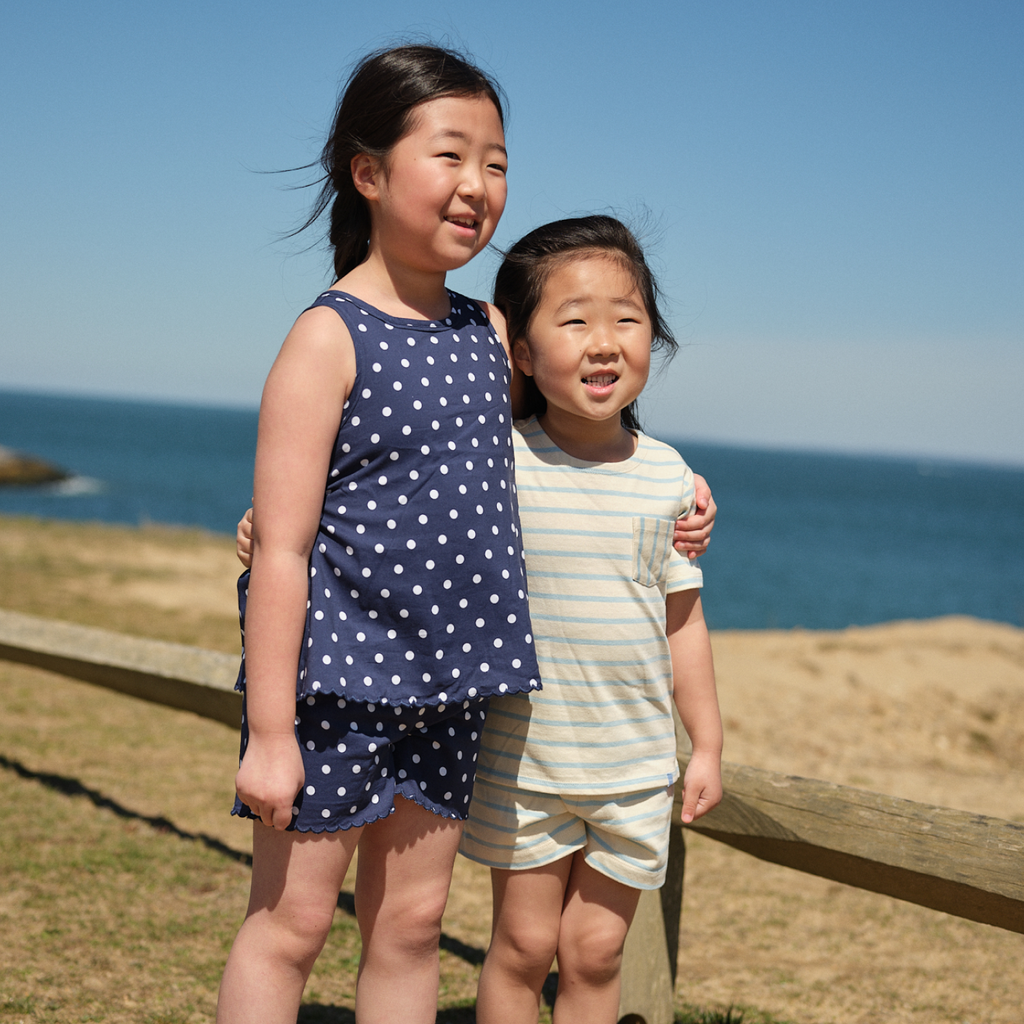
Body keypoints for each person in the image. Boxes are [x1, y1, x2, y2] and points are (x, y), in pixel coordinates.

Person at [222, 44, 717, 1024]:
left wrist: (680, 488)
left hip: (454, 695)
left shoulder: (491, 334)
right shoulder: (327, 336)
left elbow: (584, 419)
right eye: (450, 156)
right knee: (291, 928)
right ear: (368, 172)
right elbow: (280, 548)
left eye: (494, 161)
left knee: (407, 930)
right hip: (336, 691)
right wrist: (271, 734)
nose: (478, 185)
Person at [459, 215, 724, 1024]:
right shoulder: (495, 458)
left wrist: (706, 742)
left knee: (597, 952)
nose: (604, 342)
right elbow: (393, 507)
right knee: (522, 947)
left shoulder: (669, 477)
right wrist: (273, 526)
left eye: (628, 319)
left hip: (634, 766)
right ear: (523, 353)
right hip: (525, 757)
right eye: (574, 321)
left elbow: (683, 622)